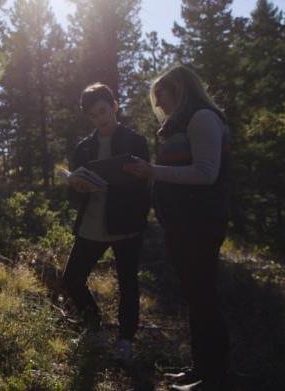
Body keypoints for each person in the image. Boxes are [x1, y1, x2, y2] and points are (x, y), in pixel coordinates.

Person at [124, 65, 231, 391]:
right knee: (196, 296)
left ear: (180, 91)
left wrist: (151, 171)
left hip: (200, 224)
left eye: (162, 96)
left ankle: (212, 375)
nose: (159, 105)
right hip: (185, 225)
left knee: (203, 296)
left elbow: (206, 173)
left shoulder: (203, 118)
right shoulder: (183, 124)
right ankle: (200, 368)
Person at [62, 83, 151, 363]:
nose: (99, 119)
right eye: (92, 115)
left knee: (128, 283)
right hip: (91, 223)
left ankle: (125, 340)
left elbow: (145, 184)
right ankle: (94, 327)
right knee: (71, 279)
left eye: (103, 111)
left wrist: (125, 183)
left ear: (114, 106)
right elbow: (72, 195)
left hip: (126, 225)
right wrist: (76, 186)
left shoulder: (135, 142)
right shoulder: (84, 147)